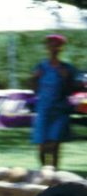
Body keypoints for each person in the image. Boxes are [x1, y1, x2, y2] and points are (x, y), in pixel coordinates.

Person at [30, 34, 77, 169]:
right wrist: (34, 79)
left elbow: (70, 91)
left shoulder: (67, 68)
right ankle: (44, 173)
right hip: (43, 109)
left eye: (57, 44)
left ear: (61, 48)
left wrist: (66, 79)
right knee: (41, 145)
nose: (53, 47)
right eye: (50, 44)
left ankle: (54, 175)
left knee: (55, 144)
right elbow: (34, 89)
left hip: (59, 110)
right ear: (47, 47)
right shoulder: (40, 67)